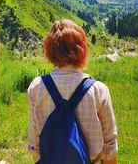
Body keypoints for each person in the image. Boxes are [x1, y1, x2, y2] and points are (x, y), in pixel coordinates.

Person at [28, 19, 118, 164]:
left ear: (49, 49)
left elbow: (34, 146)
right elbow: (109, 149)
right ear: (81, 49)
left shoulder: (36, 87)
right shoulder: (98, 90)